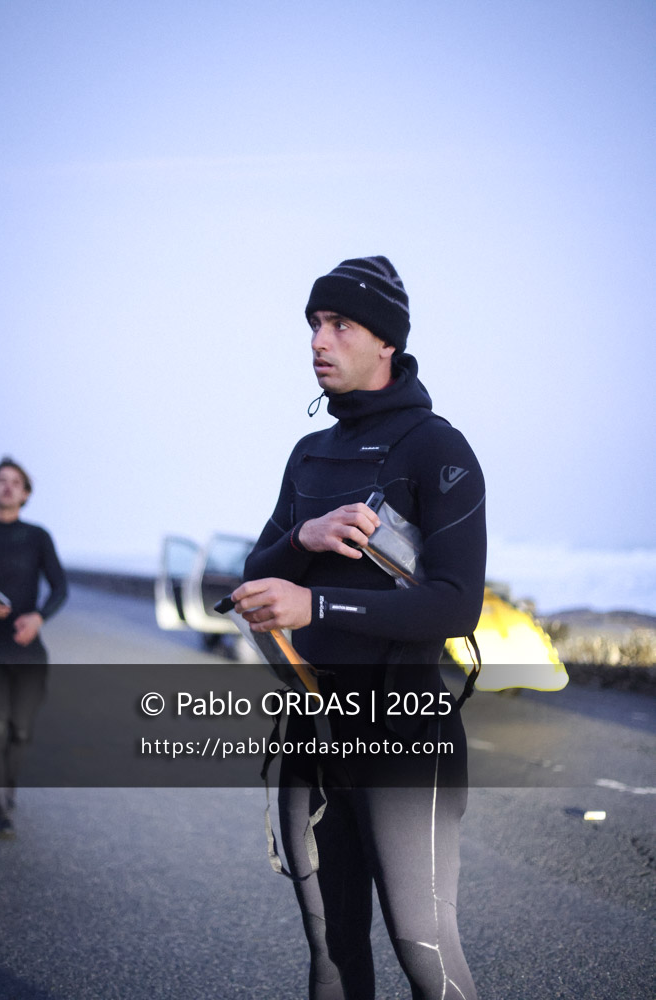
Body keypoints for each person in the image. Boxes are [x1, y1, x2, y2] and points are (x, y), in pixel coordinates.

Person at [231, 256, 486, 1000]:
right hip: (313, 730)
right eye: (314, 323)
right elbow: (254, 574)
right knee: (332, 950)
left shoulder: (437, 449)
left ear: (386, 342)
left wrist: (316, 606)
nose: (319, 339)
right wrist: (303, 537)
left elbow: (453, 606)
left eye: (339, 324)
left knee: (424, 950)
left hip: (405, 730)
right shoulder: (309, 453)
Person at [0, 457, 67, 837]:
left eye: (14, 482)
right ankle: (1, 810)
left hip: (28, 652)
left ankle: (7, 789)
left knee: (20, 731)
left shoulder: (37, 536)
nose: (6, 487)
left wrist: (38, 617)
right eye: (0, 481)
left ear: (25, 493)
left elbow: (60, 588)